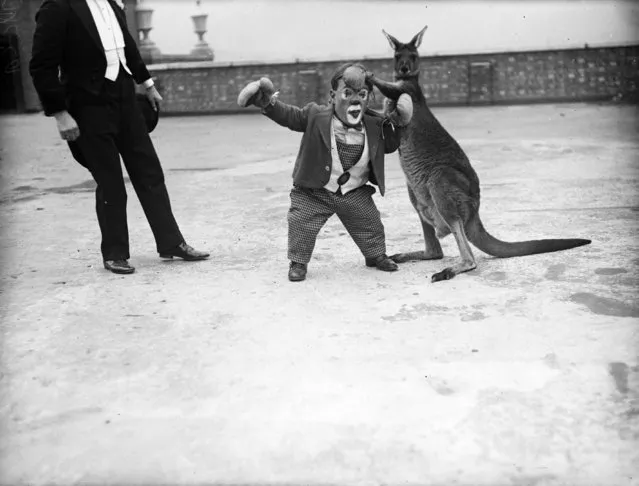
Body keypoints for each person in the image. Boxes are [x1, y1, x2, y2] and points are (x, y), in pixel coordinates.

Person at [29, 0, 209, 275]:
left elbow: (126, 46)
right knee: (110, 181)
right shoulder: (58, 6)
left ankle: (172, 243)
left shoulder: (112, 3)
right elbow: (42, 65)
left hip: (125, 98)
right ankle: (115, 253)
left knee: (150, 172)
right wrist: (60, 113)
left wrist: (147, 84)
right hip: (88, 106)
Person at [237, 63, 413, 282]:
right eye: (347, 93)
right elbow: (291, 116)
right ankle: (298, 261)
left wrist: (401, 124)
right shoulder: (316, 115)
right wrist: (270, 105)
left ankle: (376, 255)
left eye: (362, 94)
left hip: (354, 189)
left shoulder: (375, 123)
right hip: (315, 190)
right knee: (301, 222)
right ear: (333, 95)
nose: (355, 99)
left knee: (369, 222)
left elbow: (389, 146)